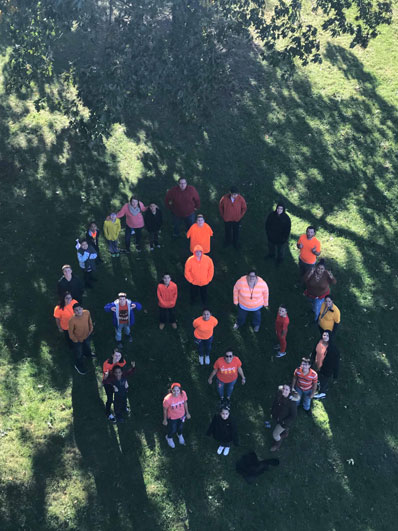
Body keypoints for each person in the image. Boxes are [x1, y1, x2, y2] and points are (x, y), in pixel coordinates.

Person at [270, 384, 300, 451]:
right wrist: (272, 412)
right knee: (282, 430)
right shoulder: (279, 395)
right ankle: (285, 432)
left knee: (275, 435)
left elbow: (293, 415)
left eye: (287, 389)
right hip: (277, 417)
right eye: (283, 388)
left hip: (284, 422)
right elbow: (274, 403)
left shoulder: (292, 403)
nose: (284, 390)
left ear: (290, 391)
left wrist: (284, 421)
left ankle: (278, 444)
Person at [312, 331, 340, 399]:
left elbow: (336, 363)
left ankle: (322, 393)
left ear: (330, 337)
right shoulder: (319, 342)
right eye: (324, 335)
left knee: (323, 382)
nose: (325, 337)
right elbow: (314, 351)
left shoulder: (333, 349)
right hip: (317, 365)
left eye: (327, 335)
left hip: (326, 369)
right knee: (317, 378)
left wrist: (335, 375)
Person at [68, 303, 94, 375]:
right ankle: (78, 365)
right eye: (76, 310)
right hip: (78, 340)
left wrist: (91, 329)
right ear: (73, 312)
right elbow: (70, 333)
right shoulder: (72, 320)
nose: (78, 311)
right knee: (79, 353)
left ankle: (88, 354)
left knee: (87, 346)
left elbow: (90, 321)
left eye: (79, 309)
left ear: (82, 309)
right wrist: (76, 340)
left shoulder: (87, 312)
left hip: (87, 335)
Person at [163, 383, 191, 448]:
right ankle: (169, 437)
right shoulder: (167, 399)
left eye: (177, 390)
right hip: (172, 418)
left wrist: (187, 413)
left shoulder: (183, 394)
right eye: (174, 391)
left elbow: (185, 403)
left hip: (182, 415)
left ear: (180, 390)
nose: (176, 393)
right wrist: (165, 419)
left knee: (180, 427)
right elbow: (165, 410)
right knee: (173, 429)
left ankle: (180, 434)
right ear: (171, 390)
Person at [102, 348, 127, 422]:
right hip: (108, 382)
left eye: (119, 356)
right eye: (115, 355)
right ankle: (108, 413)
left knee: (120, 396)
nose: (117, 358)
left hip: (117, 381)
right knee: (110, 399)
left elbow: (123, 373)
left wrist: (125, 382)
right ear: (112, 355)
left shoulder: (122, 362)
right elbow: (105, 379)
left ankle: (123, 407)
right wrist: (107, 377)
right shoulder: (106, 364)